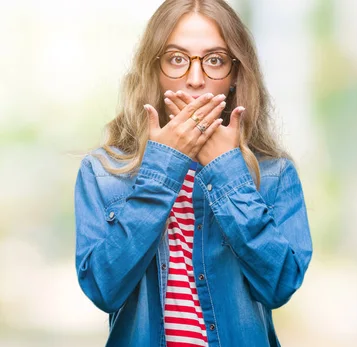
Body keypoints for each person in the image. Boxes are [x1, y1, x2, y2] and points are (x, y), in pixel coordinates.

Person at [73, 0, 312, 346]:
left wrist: (228, 173)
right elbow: (102, 290)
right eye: (176, 59)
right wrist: (163, 169)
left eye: (214, 60)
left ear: (234, 76)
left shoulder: (275, 174)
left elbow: (280, 285)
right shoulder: (103, 173)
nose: (196, 80)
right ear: (153, 69)